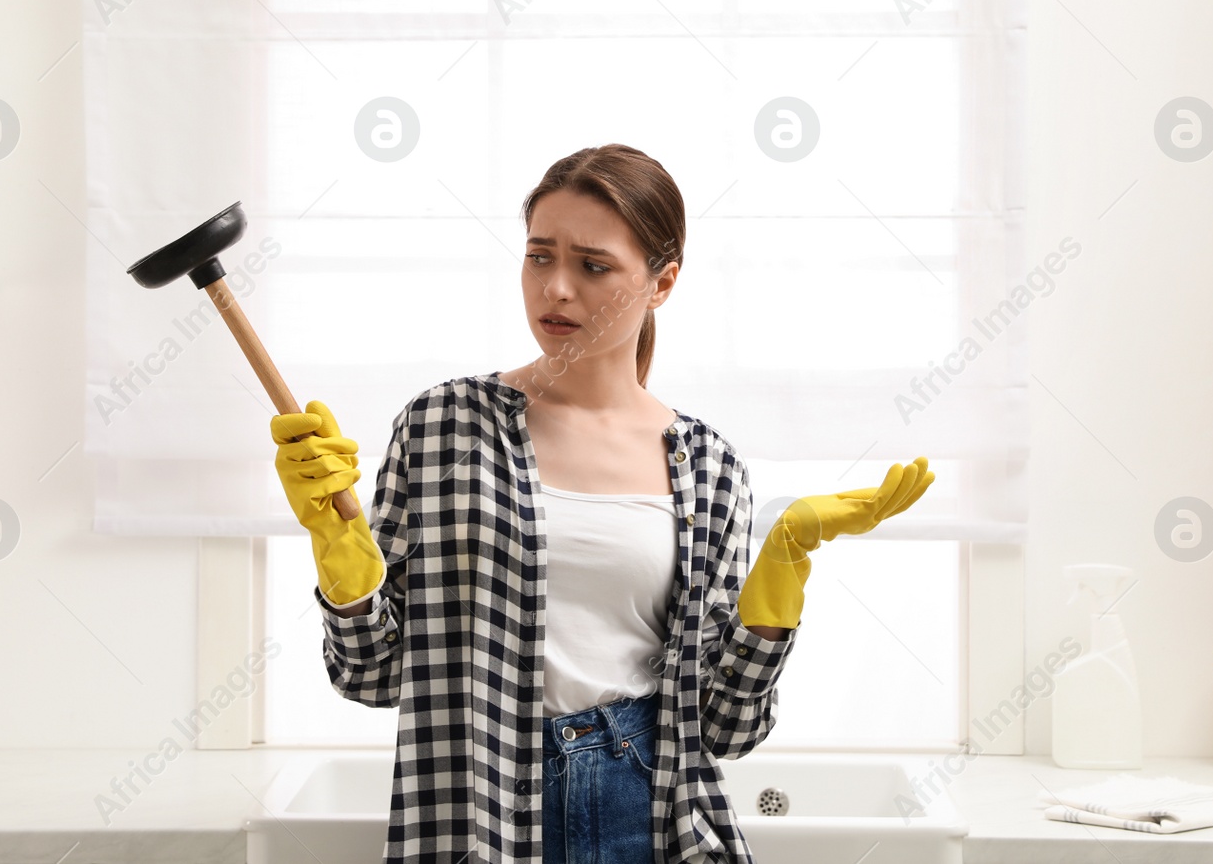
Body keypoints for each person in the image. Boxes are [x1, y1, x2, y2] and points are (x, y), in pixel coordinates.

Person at [269, 143, 934, 864]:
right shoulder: (443, 427)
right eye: (538, 256)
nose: (556, 288)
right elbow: (373, 675)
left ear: (663, 281)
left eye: (592, 265)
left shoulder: (710, 467)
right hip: (481, 813)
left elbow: (726, 729)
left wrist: (782, 570)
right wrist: (340, 560)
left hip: (651, 812)